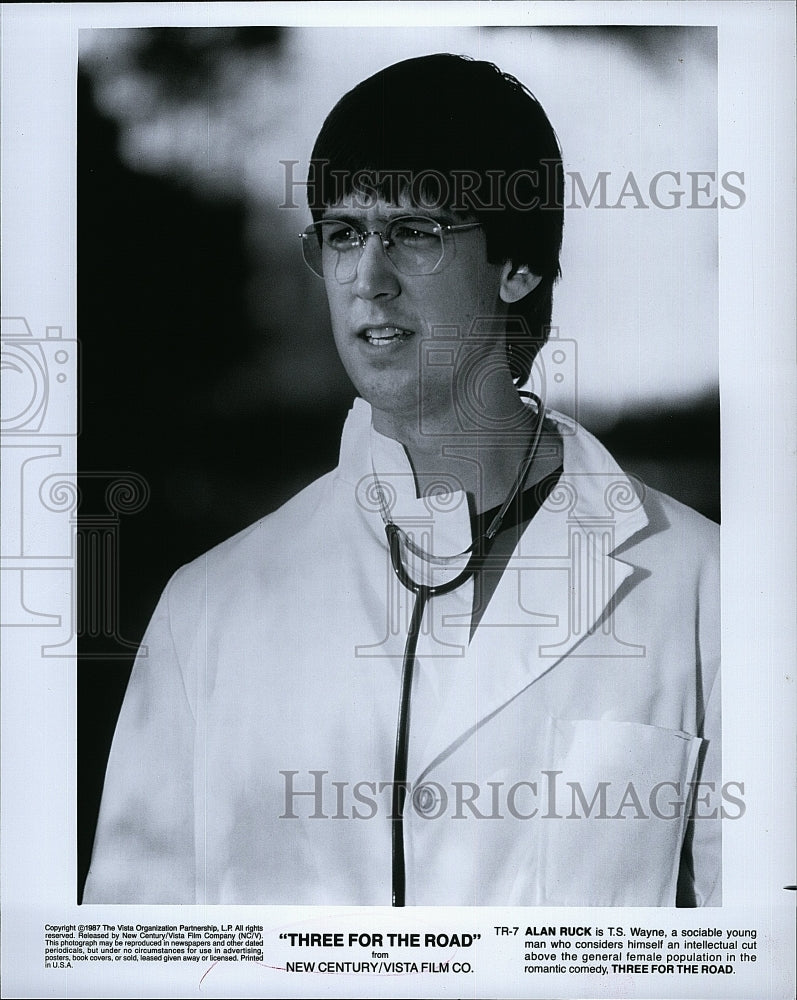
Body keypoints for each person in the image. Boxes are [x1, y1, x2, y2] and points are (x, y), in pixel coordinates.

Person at [83, 53, 720, 907]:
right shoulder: (208, 608)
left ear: (518, 264)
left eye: (415, 233)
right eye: (343, 234)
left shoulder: (706, 587)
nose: (366, 280)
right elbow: (134, 959)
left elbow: (757, 956)